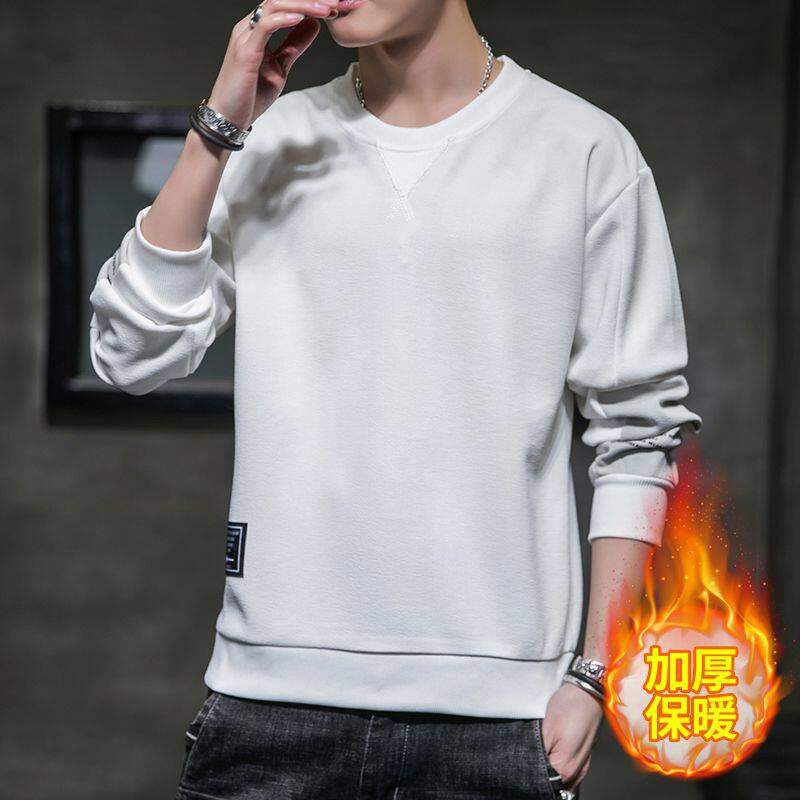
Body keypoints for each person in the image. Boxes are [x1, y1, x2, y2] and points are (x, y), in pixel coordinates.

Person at [88, 0, 703, 797]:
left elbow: (638, 433)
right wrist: (217, 132)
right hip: (271, 707)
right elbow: (128, 354)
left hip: (500, 721)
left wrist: (593, 675)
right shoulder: (269, 138)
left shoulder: (583, 149)